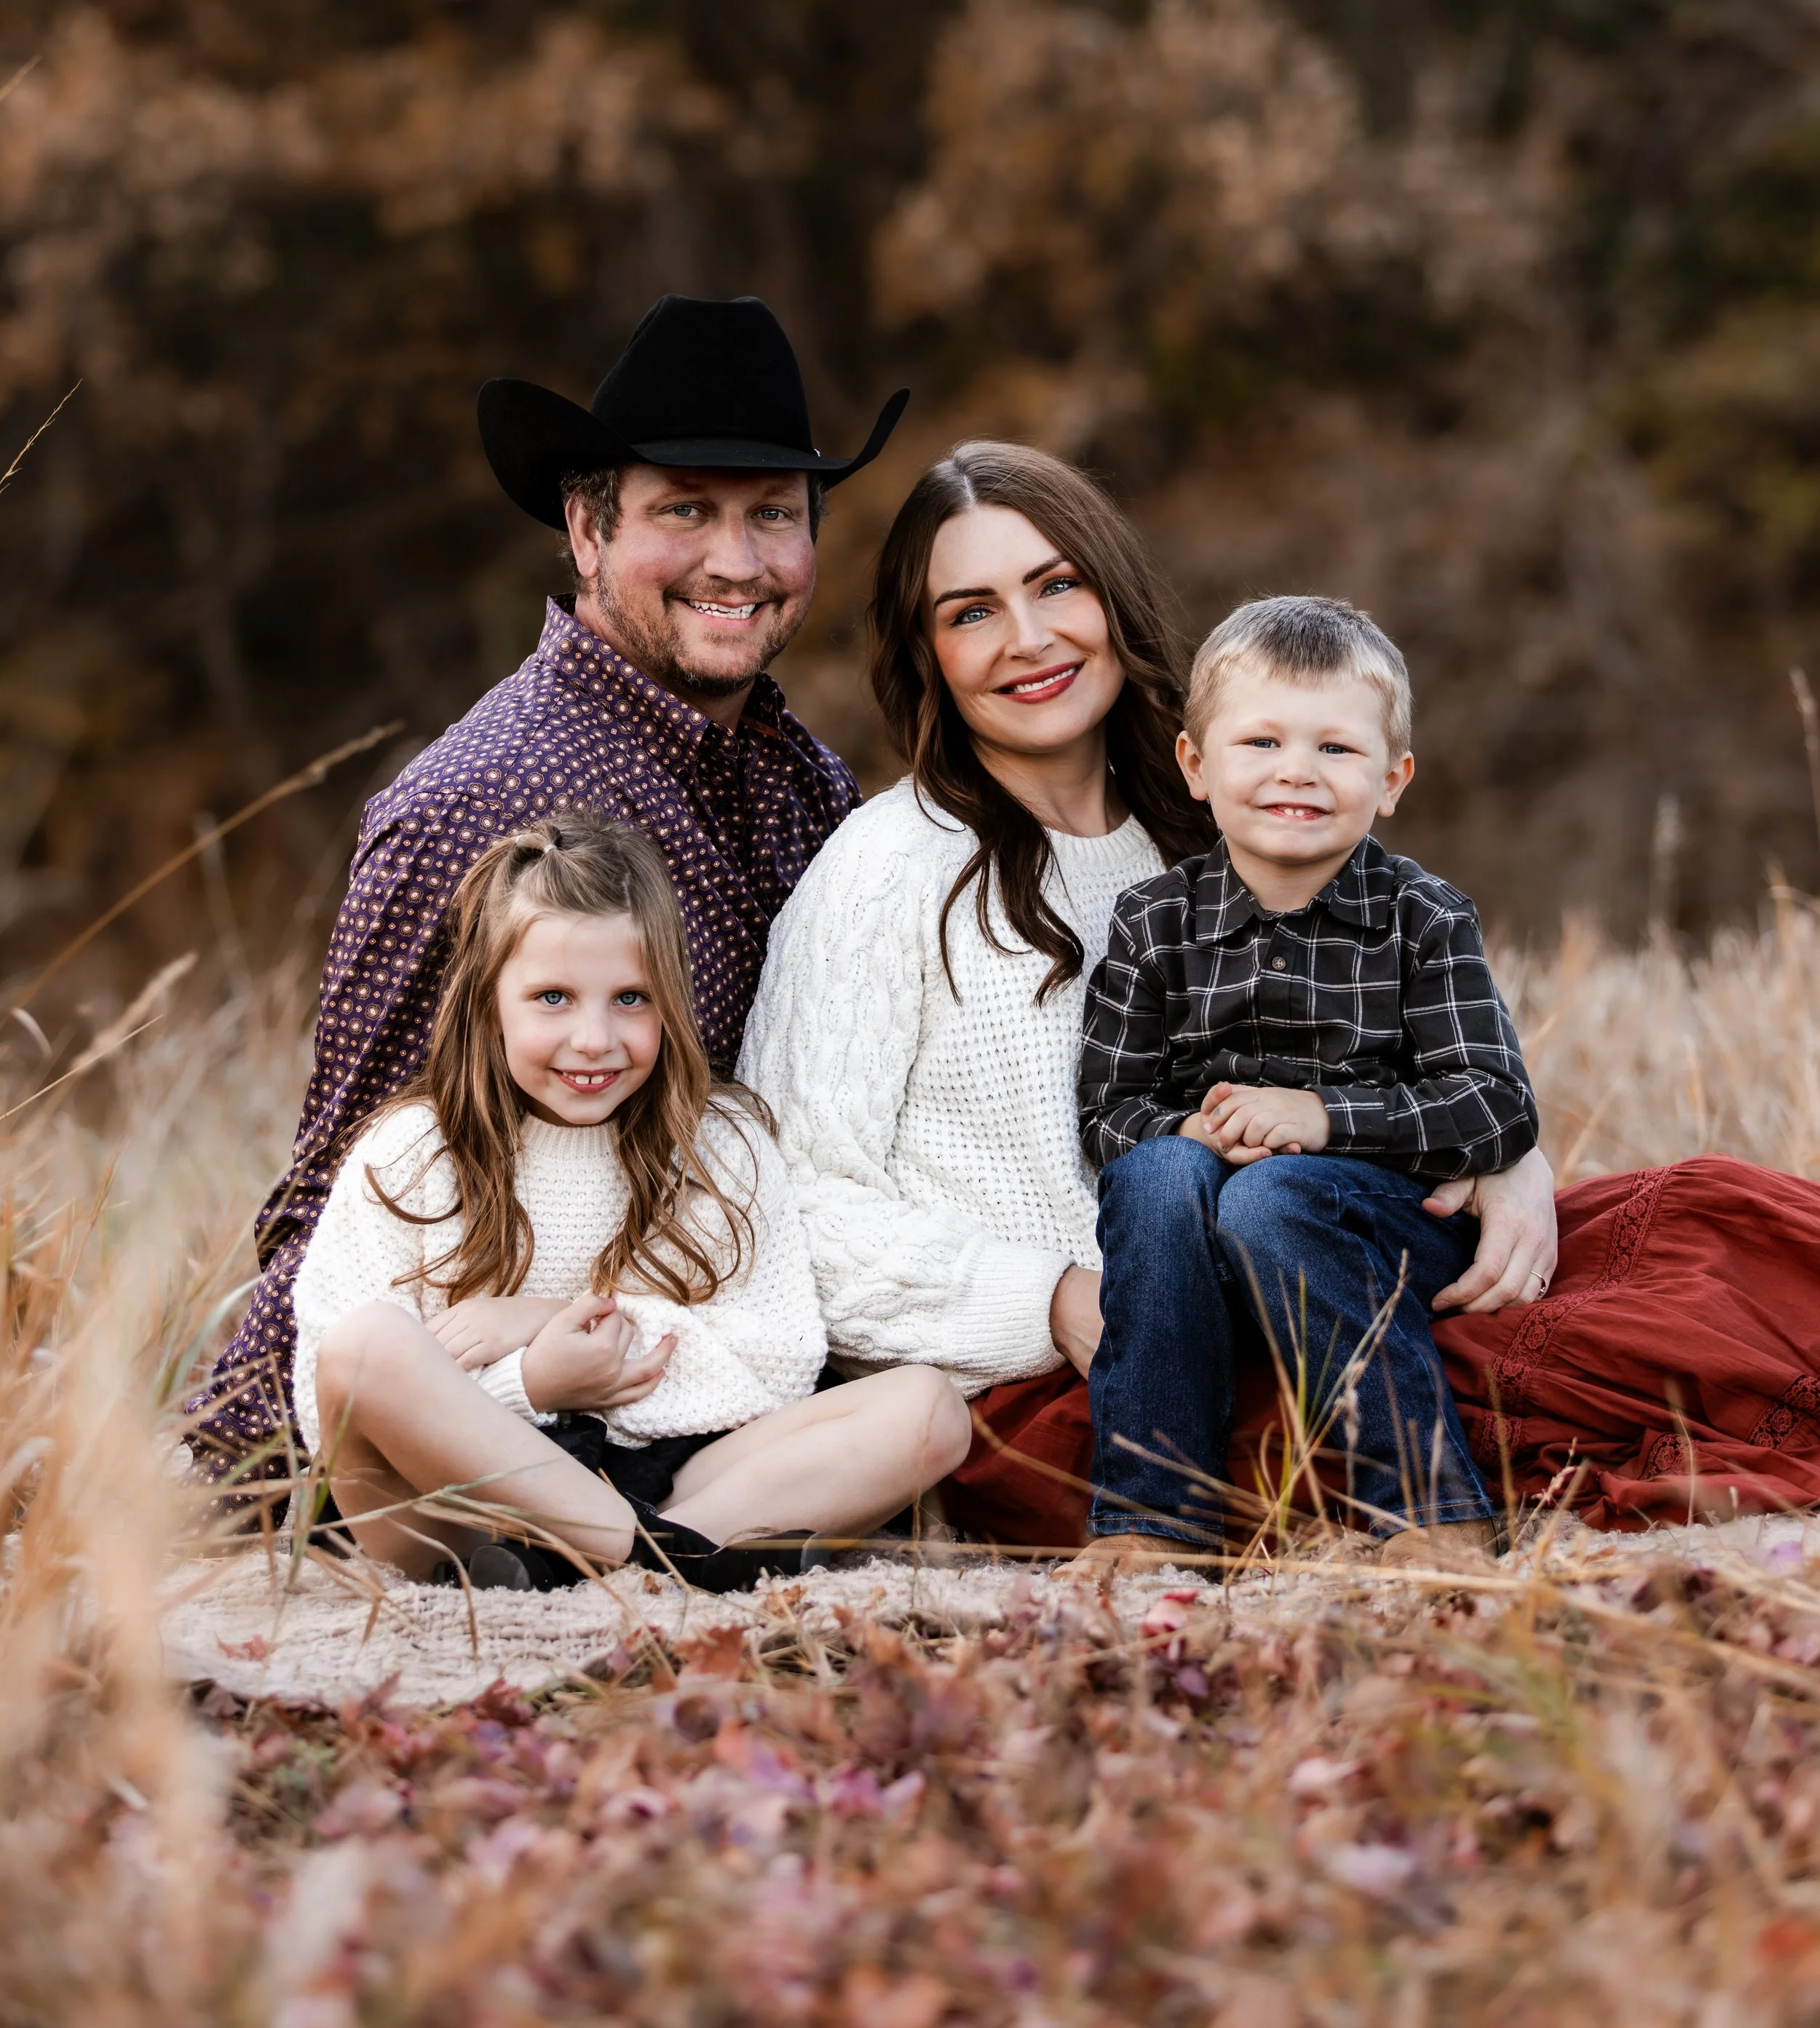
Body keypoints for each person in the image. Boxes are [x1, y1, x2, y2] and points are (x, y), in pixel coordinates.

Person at [740, 445, 1558, 1550]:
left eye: (1057, 584)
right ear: (927, 653)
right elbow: (791, 1212)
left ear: (1113, 596)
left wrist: (1515, 1164)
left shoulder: (1217, 827)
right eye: (972, 611)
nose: (1030, 639)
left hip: (1319, 1298)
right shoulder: (887, 869)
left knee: (1697, 1259)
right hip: (1088, 1385)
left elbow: (1414, 1034)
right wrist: (1052, 1297)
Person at [189, 293, 908, 1488]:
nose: (737, 562)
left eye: (772, 516)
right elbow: (340, 1175)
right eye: (684, 510)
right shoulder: (485, 797)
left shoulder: (801, 779)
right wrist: (258, 1455)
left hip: (723, 1379)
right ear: (585, 529)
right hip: (470, 1432)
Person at [296, 815, 969, 1591]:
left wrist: (548, 1317)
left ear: (670, 1002)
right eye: (552, 997)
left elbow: (777, 1363)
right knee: (363, 1345)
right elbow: (335, 1409)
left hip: (677, 1480)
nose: (593, 1038)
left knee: (928, 1410)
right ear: (488, 1005)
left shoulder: (720, 1144)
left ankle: (583, 1567)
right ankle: (660, 1563)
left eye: (629, 998)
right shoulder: (411, 1152)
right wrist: (534, 1385)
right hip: (459, 1512)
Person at [1078, 595, 1540, 1571]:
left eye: (1336, 748)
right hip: (1203, 1218)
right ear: (1197, 766)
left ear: (1392, 779)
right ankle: (1153, 1521)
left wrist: (1324, 1118)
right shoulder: (1152, 922)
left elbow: (1496, 1105)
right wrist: (1194, 1135)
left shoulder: (1426, 918)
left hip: (1379, 1217)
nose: (1296, 770)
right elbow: (1111, 1114)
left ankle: (1428, 1514)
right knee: (1160, 1176)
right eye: (1260, 741)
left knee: (1278, 1191)